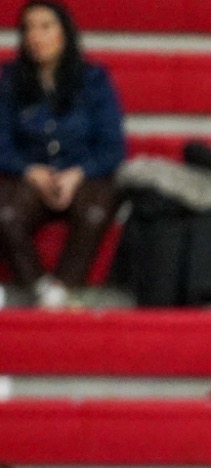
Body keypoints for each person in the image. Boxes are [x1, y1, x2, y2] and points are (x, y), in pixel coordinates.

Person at [0, 1, 124, 310]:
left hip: (85, 174)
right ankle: (42, 290)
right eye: (29, 28)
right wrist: (29, 170)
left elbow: (112, 147)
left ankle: (63, 287)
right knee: (7, 214)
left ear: (64, 33)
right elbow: (1, 144)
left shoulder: (94, 79)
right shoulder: (10, 81)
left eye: (45, 27)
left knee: (95, 211)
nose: (36, 36)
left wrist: (78, 173)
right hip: (30, 175)